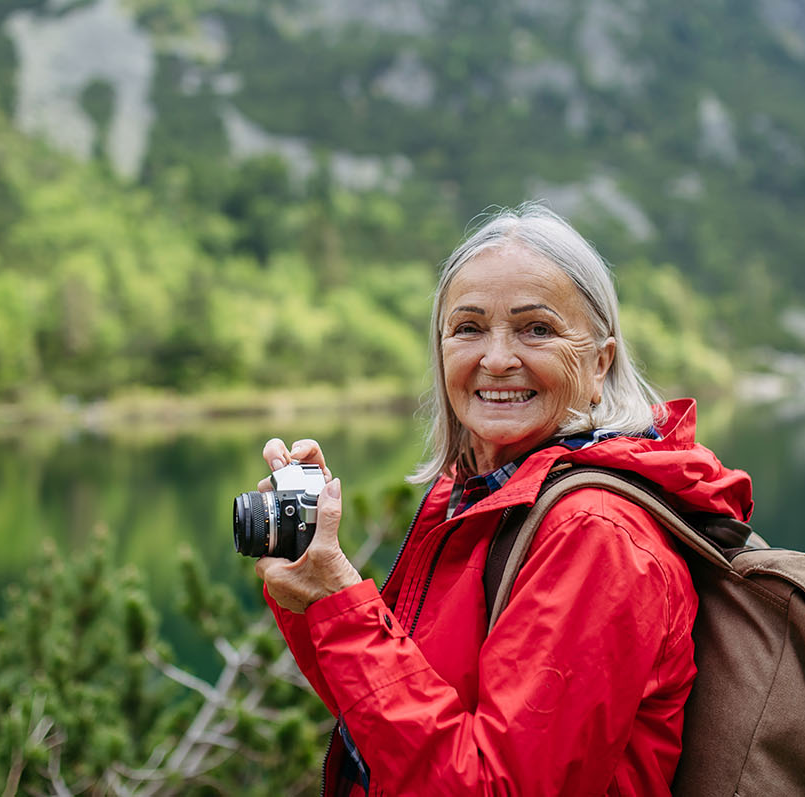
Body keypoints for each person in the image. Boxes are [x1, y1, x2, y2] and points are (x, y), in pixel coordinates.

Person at [254, 203, 752, 795]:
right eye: (468, 328)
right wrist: (314, 592)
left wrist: (340, 601)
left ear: (600, 363)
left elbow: (496, 785)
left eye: (536, 329)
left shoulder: (596, 533)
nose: (495, 359)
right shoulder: (476, 494)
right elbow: (384, 720)